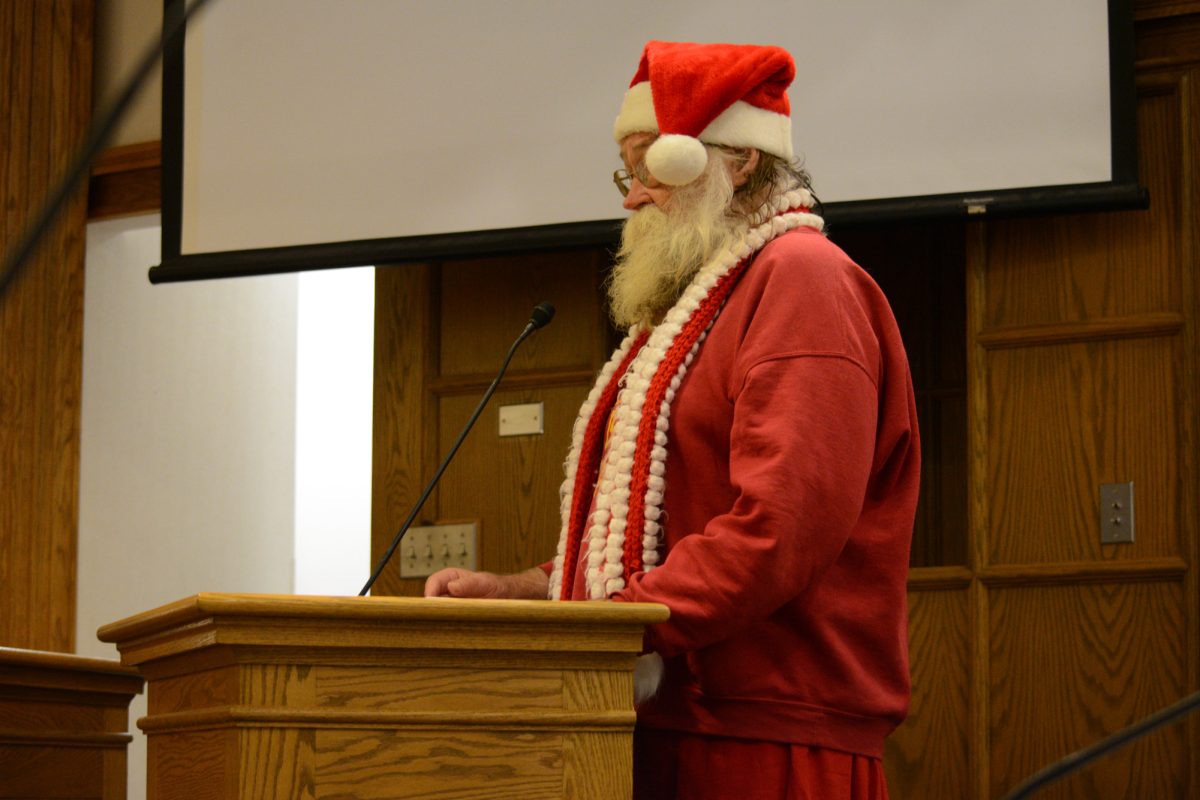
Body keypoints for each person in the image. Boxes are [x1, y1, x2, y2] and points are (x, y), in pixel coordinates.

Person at [426, 40, 920, 800]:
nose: (630, 197)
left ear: (737, 160)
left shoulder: (804, 281)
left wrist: (602, 631)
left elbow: (779, 530)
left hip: (764, 742)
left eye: (647, 166)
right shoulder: (691, 311)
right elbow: (657, 536)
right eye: (627, 171)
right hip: (659, 727)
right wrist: (530, 594)